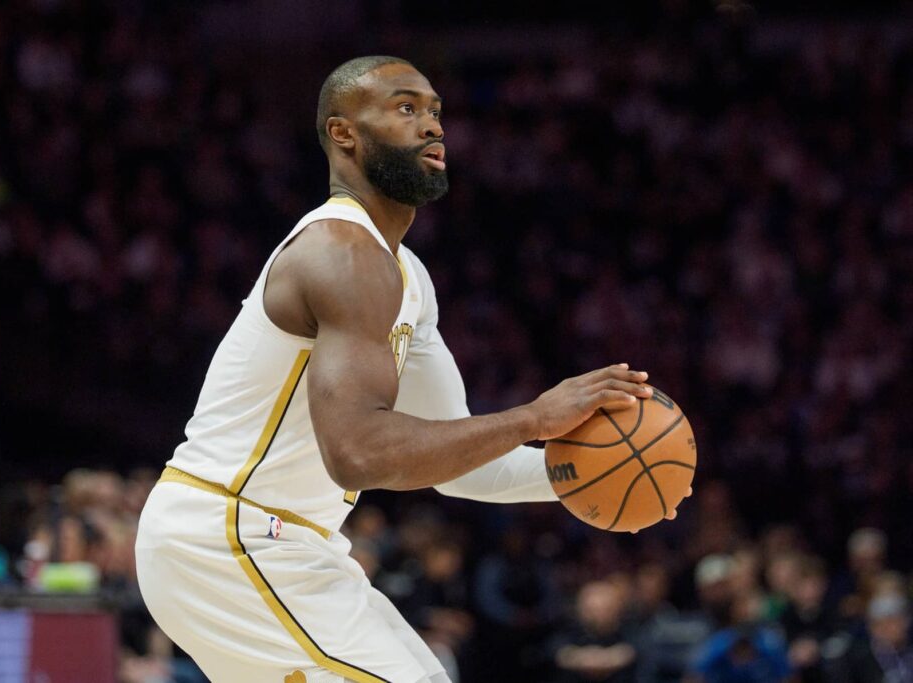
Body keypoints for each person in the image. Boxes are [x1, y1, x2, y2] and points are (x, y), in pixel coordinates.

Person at [135, 55, 666, 683]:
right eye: (406, 108)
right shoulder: (340, 253)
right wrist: (535, 417)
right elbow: (358, 454)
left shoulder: (407, 276)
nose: (433, 126)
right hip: (227, 533)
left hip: (294, 543)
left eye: (436, 111)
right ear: (344, 133)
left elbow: (466, 467)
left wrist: (604, 468)